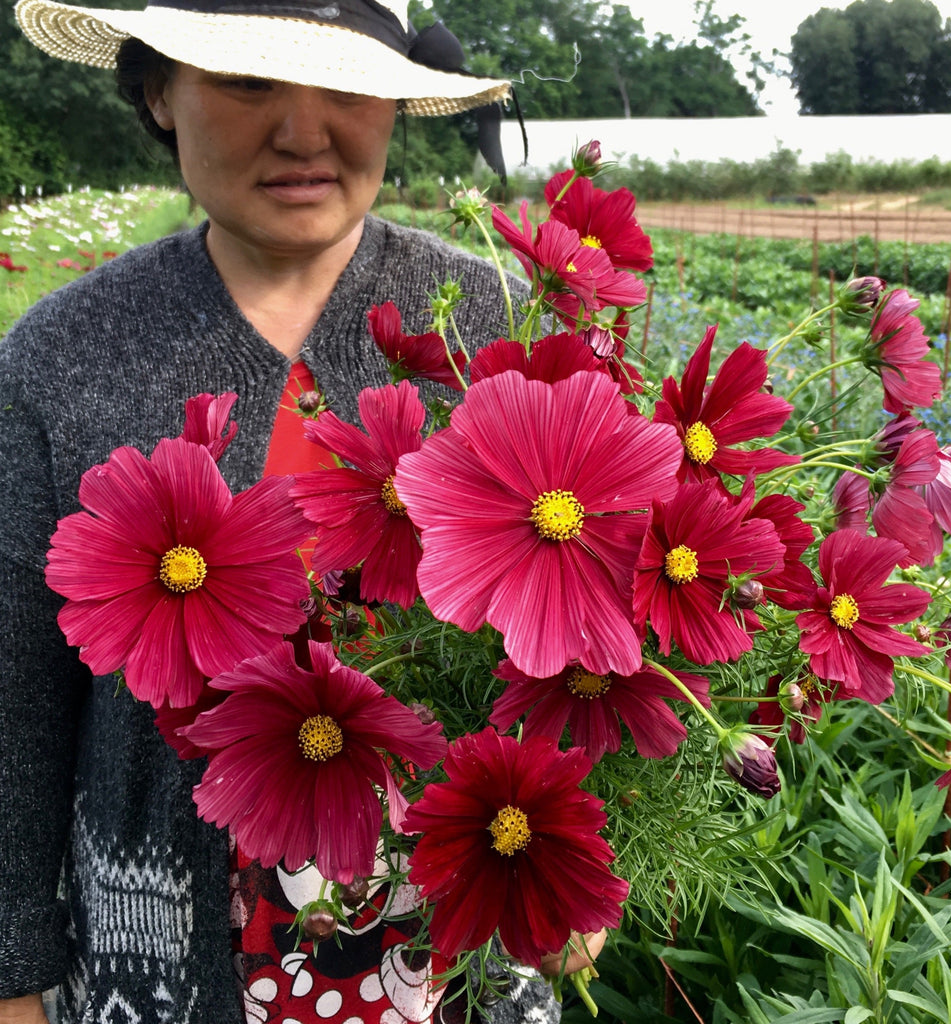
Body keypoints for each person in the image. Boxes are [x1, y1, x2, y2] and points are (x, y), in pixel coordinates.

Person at [0, 1, 602, 1020]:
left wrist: (590, 849)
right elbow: (14, 696)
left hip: (449, 956)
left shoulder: (494, 324)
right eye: (247, 84)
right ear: (157, 91)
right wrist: (13, 973)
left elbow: (588, 618)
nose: (304, 130)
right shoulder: (64, 357)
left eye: (348, 86)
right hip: (161, 961)